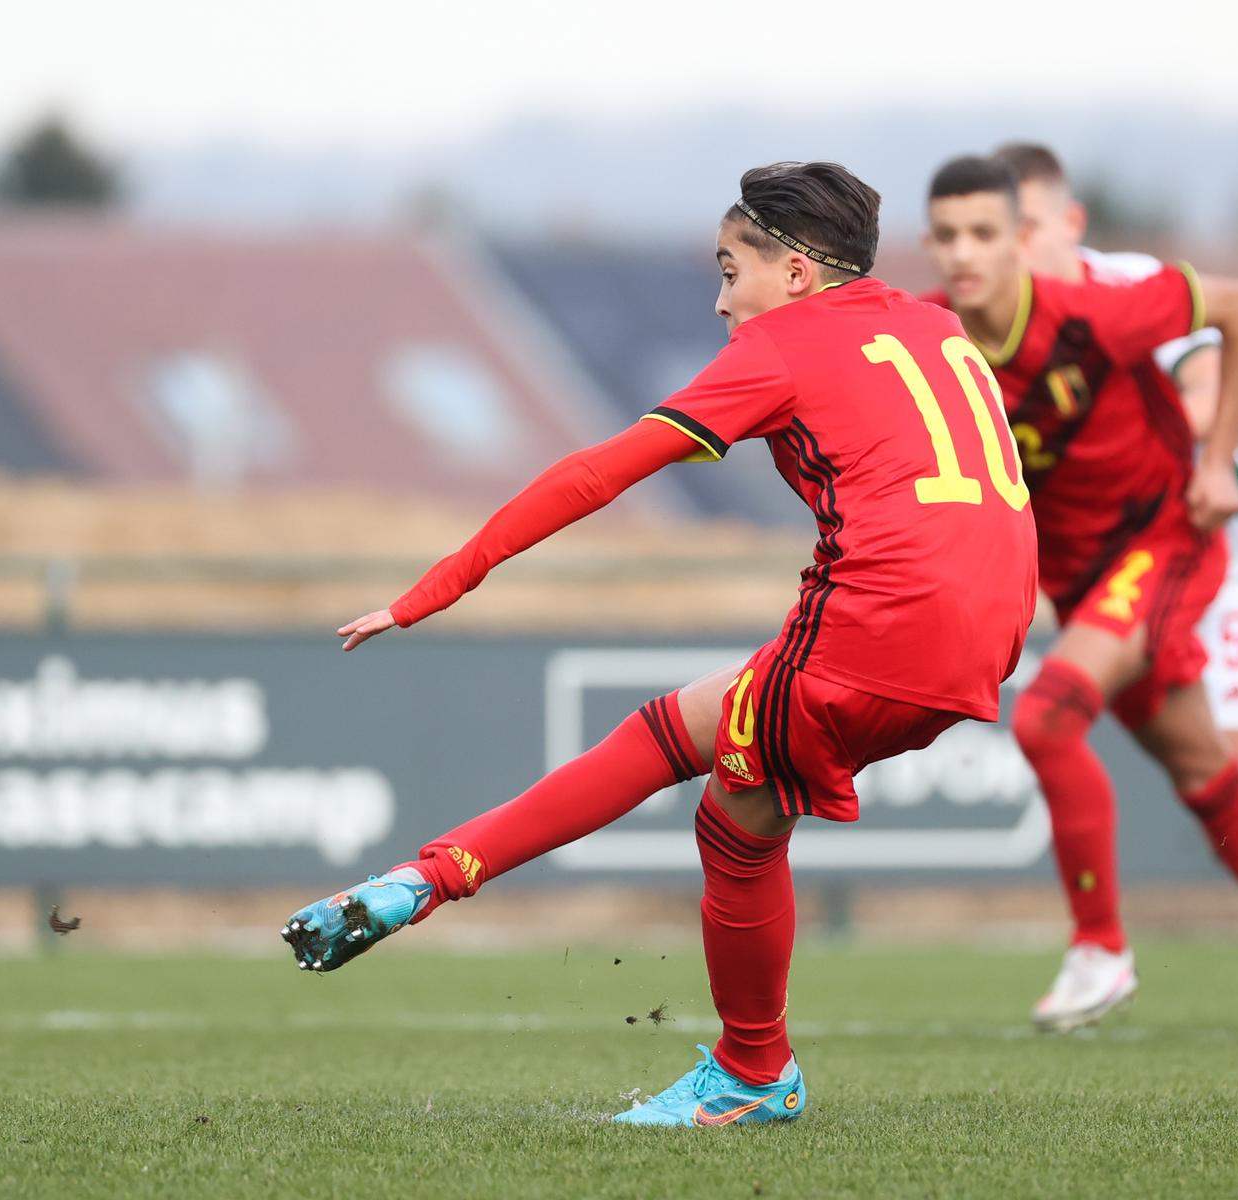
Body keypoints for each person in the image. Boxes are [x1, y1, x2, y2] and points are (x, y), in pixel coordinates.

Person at [282, 161, 1039, 1127]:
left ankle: (748, 1074)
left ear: (800, 273)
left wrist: (439, 586)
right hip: (995, 628)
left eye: (731, 272)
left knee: (725, 811)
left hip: (882, 624)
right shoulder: (933, 325)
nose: (722, 303)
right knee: (696, 754)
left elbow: (599, 472)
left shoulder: (782, 348)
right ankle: (428, 880)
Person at [921, 153, 1238, 1041]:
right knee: (1208, 779)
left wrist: (1214, 458)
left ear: (1022, 241)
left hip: (1162, 543)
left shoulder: (1090, 313)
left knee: (1045, 718)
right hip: (1079, 579)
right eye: (947, 235)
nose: (964, 252)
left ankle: (1100, 946)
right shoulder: (930, 337)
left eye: (985, 233)